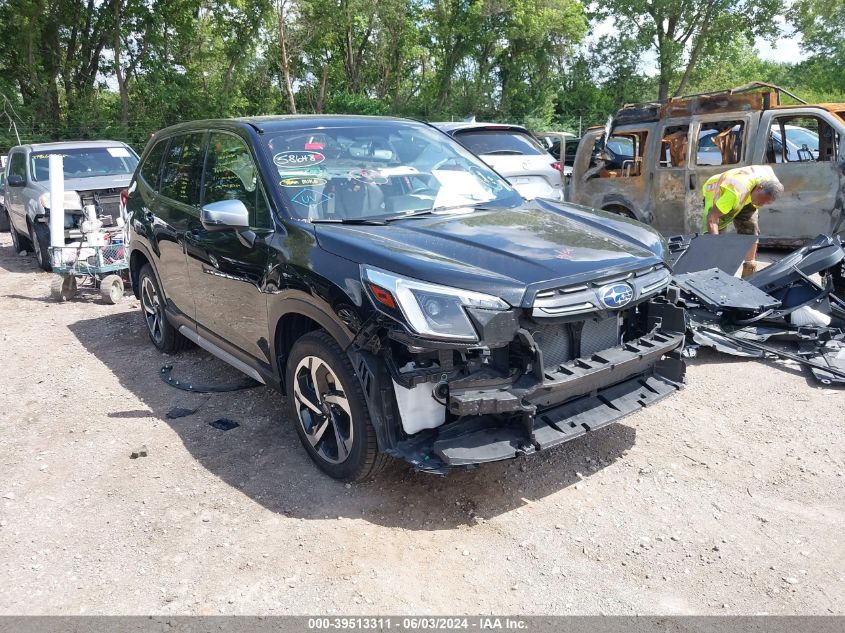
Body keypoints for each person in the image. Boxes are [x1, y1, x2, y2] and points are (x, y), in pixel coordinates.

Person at [701, 165, 784, 277]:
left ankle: (749, 269)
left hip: (748, 193)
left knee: (751, 228)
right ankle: (711, 271)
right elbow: (712, 218)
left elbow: (767, 170)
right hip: (718, 189)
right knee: (714, 235)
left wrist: (758, 200)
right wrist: (717, 245)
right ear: (759, 187)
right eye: (761, 200)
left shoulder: (772, 184)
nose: (761, 204)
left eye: (766, 203)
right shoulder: (734, 192)